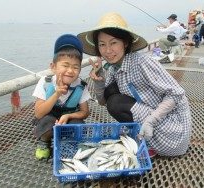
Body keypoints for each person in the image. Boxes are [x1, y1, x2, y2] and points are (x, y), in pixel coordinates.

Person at [77, 12, 192, 157]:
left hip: (173, 132)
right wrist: (99, 80)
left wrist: (151, 121)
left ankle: (149, 143)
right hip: (150, 119)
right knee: (111, 96)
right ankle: (143, 138)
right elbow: (103, 102)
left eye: (113, 43)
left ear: (125, 43)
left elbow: (176, 94)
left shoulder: (142, 62)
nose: (107, 50)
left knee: (116, 102)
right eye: (102, 44)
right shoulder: (113, 68)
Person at [32, 34, 91, 160]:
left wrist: (69, 116)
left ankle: (70, 142)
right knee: (46, 122)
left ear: (80, 70)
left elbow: (85, 112)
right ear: (53, 66)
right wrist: (57, 93)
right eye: (65, 65)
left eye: (75, 67)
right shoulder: (45, 82)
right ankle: (44, 142)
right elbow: (38, 113)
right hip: (49, 117)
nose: (70, 71)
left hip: (68, 119)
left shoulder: (81, 86)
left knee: (78, 124)